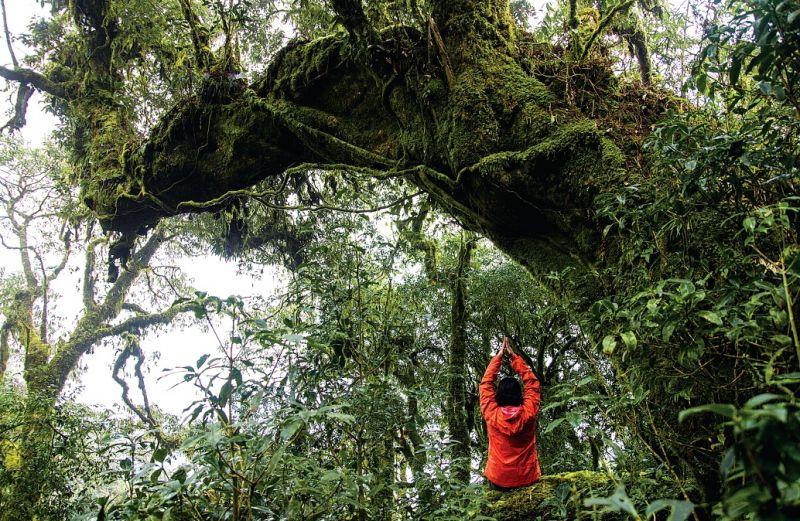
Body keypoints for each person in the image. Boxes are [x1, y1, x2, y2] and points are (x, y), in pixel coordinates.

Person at [480, 336, 541, 489]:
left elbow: (485, 385)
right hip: (527, 477)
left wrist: (498, 358)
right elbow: (532, 383)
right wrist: (514, 357)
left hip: (498, 477)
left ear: (498, 395)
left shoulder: (492, 413)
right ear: (519, 394)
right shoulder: (529, 412)